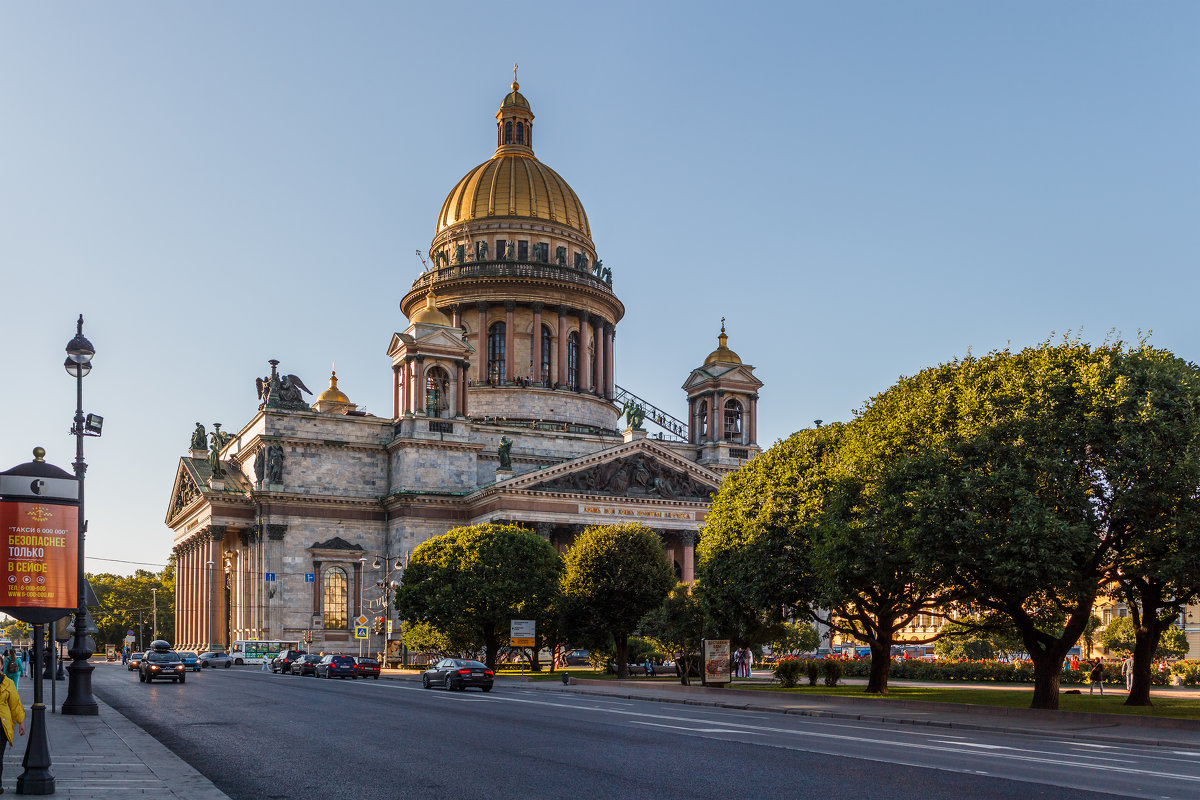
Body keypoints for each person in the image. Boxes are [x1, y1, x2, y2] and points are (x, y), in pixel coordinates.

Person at [0, 667, 26, 788]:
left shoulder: (8, 683)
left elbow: (15, 703)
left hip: (2, 725)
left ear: (1, 666)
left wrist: (21, 721)